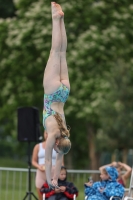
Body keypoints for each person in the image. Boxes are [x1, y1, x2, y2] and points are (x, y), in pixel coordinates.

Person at [43, 2, 71, 189]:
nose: (54, 149)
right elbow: (48, 160)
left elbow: (59, 159)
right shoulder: (53, 135)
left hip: (64, 92)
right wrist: (48, 179)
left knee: (62, 53)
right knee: (55, 51)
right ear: (58, 143)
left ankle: (61, 19)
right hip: (52, 93)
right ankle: (55, 18)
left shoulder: (65, 134)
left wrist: (55, 179)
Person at [32, 131, 64, 200]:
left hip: (54, 174)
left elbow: (62, 163)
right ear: (44, 134)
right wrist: (38, 166)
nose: (47, 135)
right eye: (46, 133)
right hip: (41, 173)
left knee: (53, 195)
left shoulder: (58, 147)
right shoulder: (38, 146)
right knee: (41, 195)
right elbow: (33, 161)